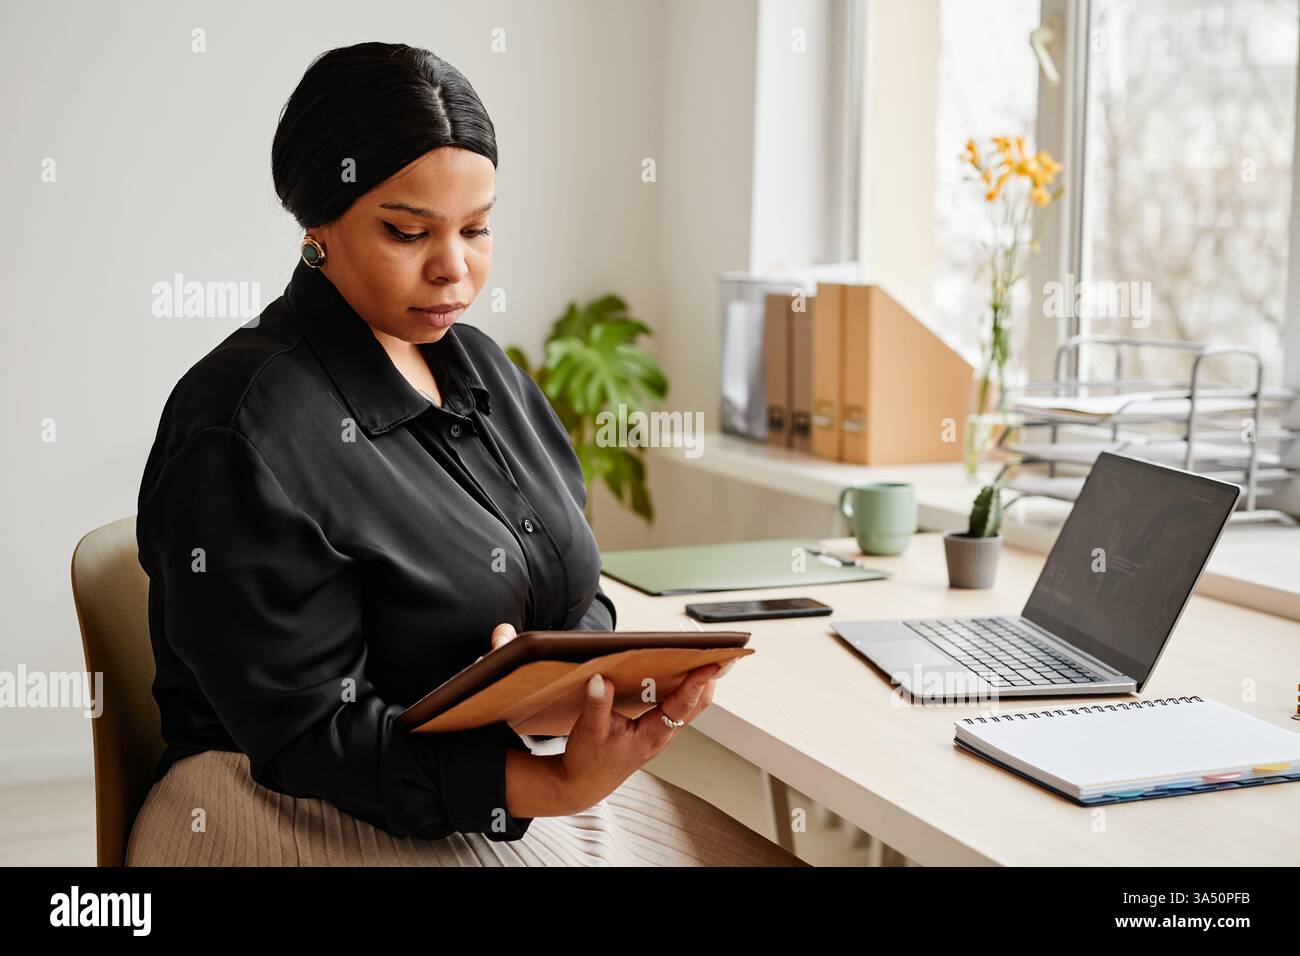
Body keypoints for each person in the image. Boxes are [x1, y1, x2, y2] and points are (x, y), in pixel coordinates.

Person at [126, 41, 806, 867]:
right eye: (408, 231)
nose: (454, 269)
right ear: (317, 227)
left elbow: (576, 588)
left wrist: (554, 682)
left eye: (477, 229)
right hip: (281, 806)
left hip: (487, 784)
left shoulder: (482, 369)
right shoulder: (240, 424)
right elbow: (306, 734)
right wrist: (542, 784)